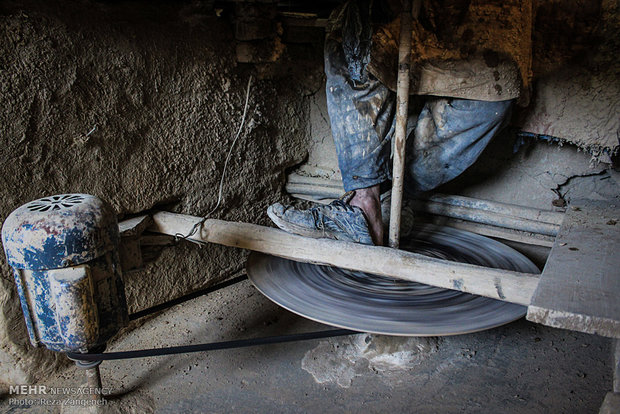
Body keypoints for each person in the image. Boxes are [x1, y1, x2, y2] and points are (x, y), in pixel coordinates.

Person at [268, 0, 527, 246]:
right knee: (352, 44)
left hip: (472, 21)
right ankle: (363, 204)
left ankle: (391, 197)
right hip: (393, 18)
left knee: (495, 95)